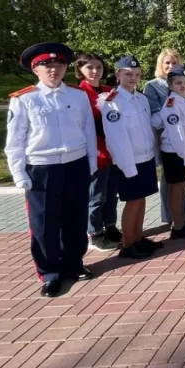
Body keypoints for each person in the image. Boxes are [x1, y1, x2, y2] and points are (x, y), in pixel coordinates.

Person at [5, 43, 97, 297]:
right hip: (41, 168)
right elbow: (15, 140)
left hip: (75, 163)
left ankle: (73, 264)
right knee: (44, 223)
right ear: (36, 70)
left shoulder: (78, 95)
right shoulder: (24, 98)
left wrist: (91, 161)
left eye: (58, 65)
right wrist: (18, 173)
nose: (53, 70)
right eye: (46, 66)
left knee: (75, 218)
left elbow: (88, 130)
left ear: (66, 68)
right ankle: (50, 273)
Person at [99, 56, 161, 260]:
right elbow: (116, 139)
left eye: (137, 74)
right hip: (129, 161)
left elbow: (147, 129)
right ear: (118, 74)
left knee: (141, 199)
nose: (133, 78)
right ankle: (127, 244)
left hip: (145, 157)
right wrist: (127, 167)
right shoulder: (112, 102)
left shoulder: (141, 99)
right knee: (132, 202)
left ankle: (138, 237)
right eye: (128, 74)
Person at [74, 53, 121, 252]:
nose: (95, 71)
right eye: (89, 67)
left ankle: (110, 226)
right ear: (80, 70)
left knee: (111, 193)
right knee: (96, 196)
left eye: (99, 67)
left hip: (113, 151)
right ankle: (95, 233)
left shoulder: (109, 91)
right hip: (95, 151)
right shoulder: (78, 93)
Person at [143, 49, 185, 226]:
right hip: (167, 140)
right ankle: (173, 219)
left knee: (181, 183)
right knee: (171, 182)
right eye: (167, 63)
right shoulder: (153, 86)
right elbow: (157, 117)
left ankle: (183, 215)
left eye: (174, 62)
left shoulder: (183, 87)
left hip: (184, 141)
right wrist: (169, 117)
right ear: (161, 64)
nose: (171, 66)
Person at [153, 64, 185, 239]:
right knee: (176, 189)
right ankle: (178, 227)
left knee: (182, 188)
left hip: (184, 151)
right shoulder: (171, 104)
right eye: (178, 83)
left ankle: (181, 221)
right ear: (170, 85)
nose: (183, 85)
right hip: (175, 153)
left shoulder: (184, 99)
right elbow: (177, 134)